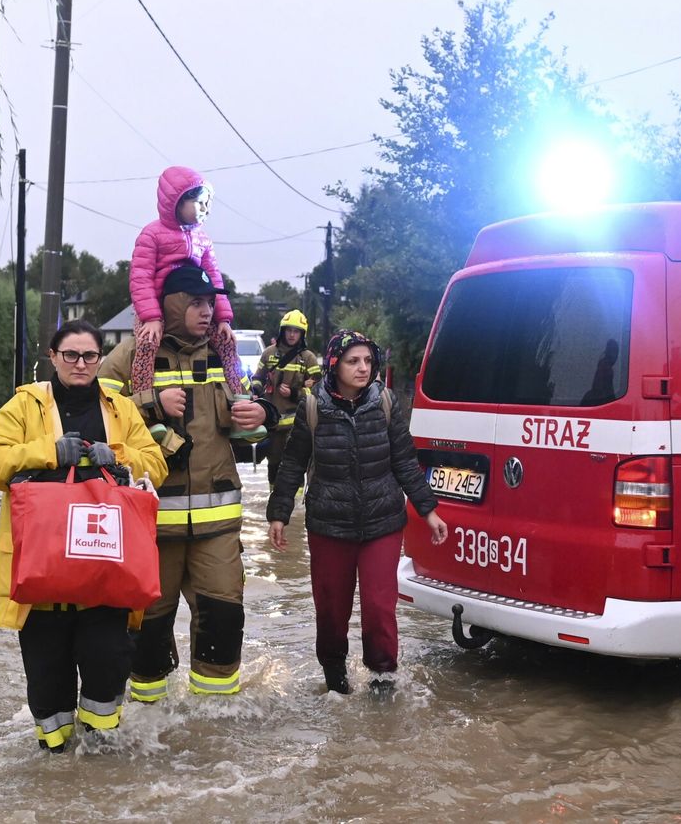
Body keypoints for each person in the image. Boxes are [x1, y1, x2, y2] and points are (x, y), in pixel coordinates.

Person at [0, 320, 167, 753]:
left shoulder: (120, 407)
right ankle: (56, 761)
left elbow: (156, 466)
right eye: (71, 355)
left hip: (106, 571)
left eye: (90, 356)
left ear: (101, 359)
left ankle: (99, 760)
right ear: (53, 356)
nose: (81, 364)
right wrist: (46, 452)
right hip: (46, 573)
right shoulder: (23, 405)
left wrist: (117, 457)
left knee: (106, 670)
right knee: (47, 681)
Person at [97, 265, 278, 701]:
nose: (206, 311)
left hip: (217, 525)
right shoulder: (130, 356)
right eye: (195, 303)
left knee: (223, 618)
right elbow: (97, 419)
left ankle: (214, 728)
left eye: (209, 303)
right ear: (171, 305)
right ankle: (149, 719)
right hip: (150, 526)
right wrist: (152, 405)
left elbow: (247, 423)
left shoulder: (226, 354)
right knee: (147, 626)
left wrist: (262, 416)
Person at [266, 329, 448, 694]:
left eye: (368, 361)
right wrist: (279, 514)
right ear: (335, 365)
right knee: (331, 612)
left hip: (382, 522)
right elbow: (293, 464)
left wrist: (428, 510)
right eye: (353, 361)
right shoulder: (313, 406)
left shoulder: (385, 402)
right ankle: (336, 681)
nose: (363, 368)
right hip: (329, 525)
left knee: (380, 609)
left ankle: (382, 682)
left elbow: (405, 461)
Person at [128, 165, 243, 396]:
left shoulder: (203, 239)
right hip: (157, 311)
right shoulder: (152, 234)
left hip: (194, 303)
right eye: (200, 203)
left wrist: (223, 318)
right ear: (178, 201)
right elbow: (141, 278)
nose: (206, 209)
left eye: (208, 204)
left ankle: (239, 397)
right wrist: (151, 317)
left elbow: (214, 280)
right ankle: (146, 399)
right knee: (147, 345)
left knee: (226, 342)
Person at [250, 309, 322, 484]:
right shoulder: (268, 353)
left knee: (295, 464)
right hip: (273, 423)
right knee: (273, 463)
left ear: (302, 334)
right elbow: (258, 378)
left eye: (296, 331)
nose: (291, 334)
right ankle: (274, 499)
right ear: (282, 330)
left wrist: (294, 393)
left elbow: (319, 391)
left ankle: (297, 506)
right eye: (289, 330)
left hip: (298, 424)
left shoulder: (308, 358)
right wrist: (255, 392)